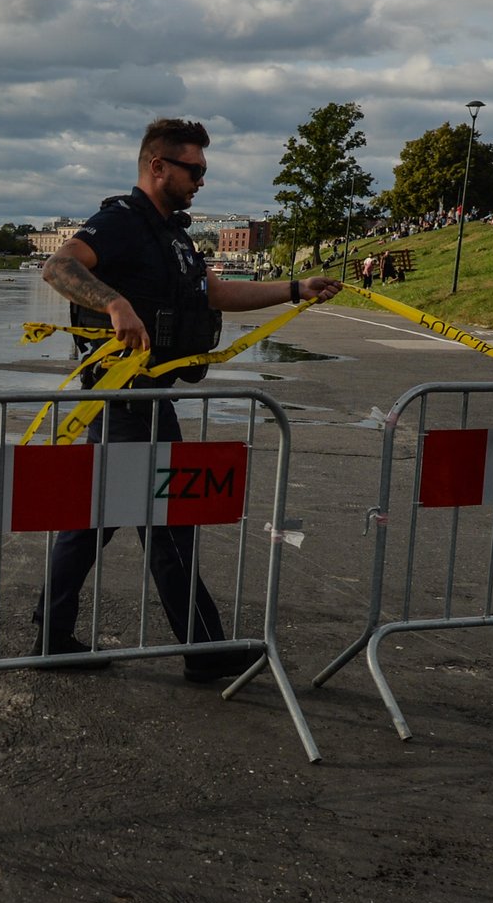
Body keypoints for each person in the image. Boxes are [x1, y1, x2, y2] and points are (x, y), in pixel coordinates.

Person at [35, 118, 340, 681]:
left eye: (203, 170)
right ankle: (203, 651)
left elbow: (215, 292)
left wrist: (297, 289)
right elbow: (59, 266)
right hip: (125, 399)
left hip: (145, 398)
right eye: (193, 169)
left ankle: (52, 636)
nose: (201, 180)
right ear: (158, 167)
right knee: (168, 525)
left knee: (94, 520)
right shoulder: (122, 222)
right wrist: (115, 305)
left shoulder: (173, 235)